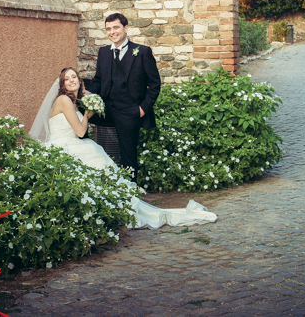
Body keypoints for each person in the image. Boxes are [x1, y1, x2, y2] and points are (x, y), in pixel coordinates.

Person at [28, 67, 217, 229]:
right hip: (64, 145)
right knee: (97, 160)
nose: (71, 81)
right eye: (66, 79)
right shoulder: (64, 100)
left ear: (79, 80)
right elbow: (79, 132)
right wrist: (87, 115)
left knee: (100, 164)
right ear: (62, 84)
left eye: (74, 77)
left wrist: (87, 106)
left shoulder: (74, 102)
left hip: (73, 142)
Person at [87, 13, 161, 181]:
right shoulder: (104, 52)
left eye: (116, 27)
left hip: (130, 111)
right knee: (77, 117)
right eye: (108, 29)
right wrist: (89, 95)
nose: (112, 32)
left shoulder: (142, 52)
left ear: (125, 28)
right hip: (106, 109)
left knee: (128, 155)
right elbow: (98, 79)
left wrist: (142, 108)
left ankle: (130, 192)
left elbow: (154, 84)